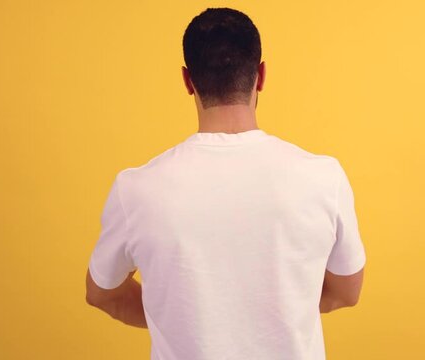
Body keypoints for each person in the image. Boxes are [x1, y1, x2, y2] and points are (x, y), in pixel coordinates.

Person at [85, 7, 366, 360]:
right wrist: (274, 313)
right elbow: (346, 292)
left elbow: (102, 293)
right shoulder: (324, 177)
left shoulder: (136, 190)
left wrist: (181, 319)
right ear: (261, 75)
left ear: (188, 81)